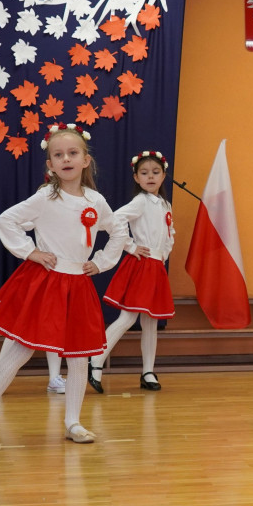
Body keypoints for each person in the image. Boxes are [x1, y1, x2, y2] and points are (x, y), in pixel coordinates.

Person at [0, 123, 127, 446]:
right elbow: (6, 220)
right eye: (58, 155)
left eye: (72, 153)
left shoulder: (96, 200)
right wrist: (31, 252)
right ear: (50, 164)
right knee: (22, 348)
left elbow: (118, 231)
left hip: (78, 284)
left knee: (79, 355)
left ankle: (74, 421)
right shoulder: (44, 198)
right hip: (48, 283)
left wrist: (103, 261)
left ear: (85, 160)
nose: (66, 159)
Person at [88, 150, 175, 394]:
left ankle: (148, 371)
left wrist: (163, 254)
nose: (150, 177)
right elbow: (114, 220)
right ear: (136, 178)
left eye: (155, 173)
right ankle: (95, 359)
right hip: (141, 266)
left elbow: (170, 233)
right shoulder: (140, 201)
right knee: (128, 318)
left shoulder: (165, 204)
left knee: (151, 322)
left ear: (163, 175)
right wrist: (131, 246)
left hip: (155, 266)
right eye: (144, 173)